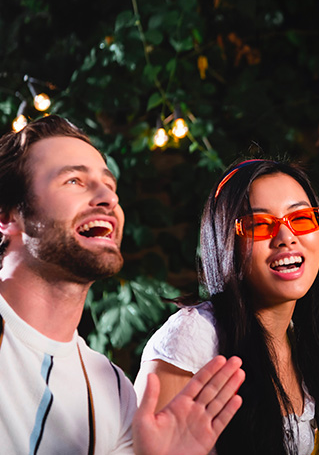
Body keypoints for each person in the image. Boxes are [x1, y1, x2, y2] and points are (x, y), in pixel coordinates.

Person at [0, 115, 244, 455]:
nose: (107, 198)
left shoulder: (113, 390)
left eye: (110, 186)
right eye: (74, 181)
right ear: (8, 216)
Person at [135, 159, 319, 454]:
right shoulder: (194, 335)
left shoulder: (303, 338)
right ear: (225, 241)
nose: (286, 238)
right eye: (259, 225)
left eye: (301, 219)